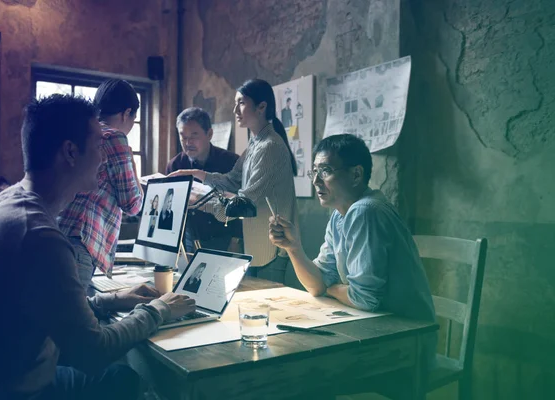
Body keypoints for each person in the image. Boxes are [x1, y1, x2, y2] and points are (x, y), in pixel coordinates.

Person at [0, 94, 196, 400]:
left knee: (122, 377)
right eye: (98, 145)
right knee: (132, 381)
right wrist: (158, 310)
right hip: (8, 391)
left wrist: (110, 300)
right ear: (70, 152)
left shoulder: (11, 201)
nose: (103, 157)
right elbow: (92, 352)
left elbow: (49, 310)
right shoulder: (40, 236)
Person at [268, 133, 436, 369]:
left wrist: (333, 288)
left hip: (407, 345)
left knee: (299, 369)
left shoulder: (366, 212)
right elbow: (317, 286)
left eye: (325, 171)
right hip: (378, 332)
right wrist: (293, 247)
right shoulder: (340, 215)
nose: (316, 181)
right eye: (313, 171)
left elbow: (364, 298)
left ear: (356, 174)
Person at [169, 79, 298, 284]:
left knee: (266, 310)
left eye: (241, 103)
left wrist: (197, 201)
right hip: (257, 244)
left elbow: (242, 204)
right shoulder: (256, 143)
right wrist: (199, 174)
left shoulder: (269, 146)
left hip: (270, 246)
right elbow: (232, 180)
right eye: (235, 103)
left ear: (261, 107)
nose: (235, 109)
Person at [59, 79, 143, 291]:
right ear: (127, 113)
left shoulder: (80, 134)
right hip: (83, 241)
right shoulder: (115, 137)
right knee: (76, 321)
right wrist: (133, 166)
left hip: (60, 231)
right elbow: (132, 205)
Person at [165, 107, 241, 253]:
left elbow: (239, 205)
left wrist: (236, 241)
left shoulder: (231, 161)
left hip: (225, 237)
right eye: (183, 136)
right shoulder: (175, 166)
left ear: (209, 134)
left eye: (194, 135)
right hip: (189, 239)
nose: (188, 142)